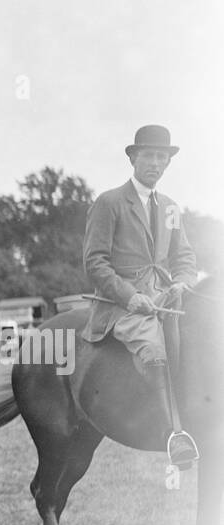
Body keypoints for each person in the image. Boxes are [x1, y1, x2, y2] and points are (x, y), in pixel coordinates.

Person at [83, 124, 198, 468]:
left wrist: (182, 282)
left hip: (166, 298)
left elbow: (185, 258)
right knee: (154, 347)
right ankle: (173, 433)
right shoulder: (109, 202)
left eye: (162, 157)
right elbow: (94, 261)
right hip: (123, 305)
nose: (155, 163)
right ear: (133, 158)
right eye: (148, 155)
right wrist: (130, 296)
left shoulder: (171, 207)